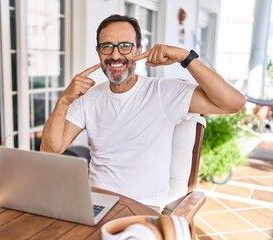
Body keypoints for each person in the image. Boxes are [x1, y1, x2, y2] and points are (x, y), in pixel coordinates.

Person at [40, 14, 246, 210]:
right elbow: (50, 151)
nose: (115, 55)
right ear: (98, 52)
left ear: (139, 49)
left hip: (143, 208)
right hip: (94, 202)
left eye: (125, 46)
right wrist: (65, 100)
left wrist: (185, 57)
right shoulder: (88, 98)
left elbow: (233, 103)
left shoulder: (164, 92)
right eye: (107, 47)